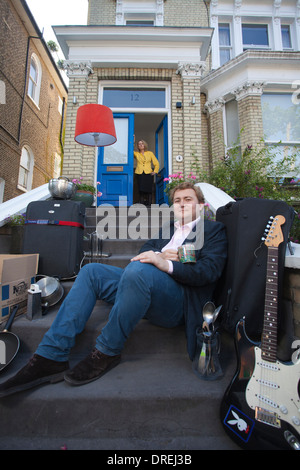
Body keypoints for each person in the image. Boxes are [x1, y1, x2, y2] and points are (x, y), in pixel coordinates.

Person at [0, 182, 227, 398]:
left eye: (188, 199)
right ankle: (50, 356)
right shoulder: (168, 230)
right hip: (143, 288)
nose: (182, 203)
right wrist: (157, 255)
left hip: (179, 301)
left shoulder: (213, 230)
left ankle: (107, 351)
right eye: (177, 200)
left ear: (201, 205)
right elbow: (145, 250)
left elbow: (209, 272)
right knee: (91, 272)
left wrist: (167, 263)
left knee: (138, 271)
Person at [134, 139, 159, 206]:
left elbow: (156, 163)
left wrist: (155, 171)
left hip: (148, 173)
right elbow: (130, 150)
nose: (141, 145)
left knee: (149, 189)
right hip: (139, 173)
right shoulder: (136, 154)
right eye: (139, 144)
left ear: (145, 145)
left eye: (142, 143)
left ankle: (149, 204)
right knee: (141, 189)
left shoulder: (150, 153)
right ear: (138, 146)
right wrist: (132, 141)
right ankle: (142, 203)